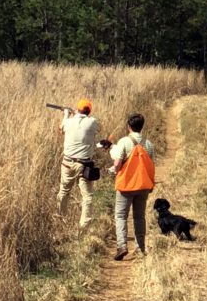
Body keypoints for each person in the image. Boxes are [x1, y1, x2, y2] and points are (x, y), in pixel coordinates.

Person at [109, 113, 155, 260]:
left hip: (126, 185)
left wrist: (115, 171)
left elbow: (117, 163)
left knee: (121, 215)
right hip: (143, 185)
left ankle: (122, 246)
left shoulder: (124, 141)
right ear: (142, 127)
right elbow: (152, 166)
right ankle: (140, 248)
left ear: (128, 126)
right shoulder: (148, 144)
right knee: (139, 217)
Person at [57, 98, 100, 230]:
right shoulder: (92, 122)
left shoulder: (68, 122)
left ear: (77, 109)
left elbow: (61, 130)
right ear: (89, 111)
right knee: (87, 197)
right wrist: (77, 114)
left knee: (64, 192)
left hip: (67, 163)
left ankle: (61, 223)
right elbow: (96, 129)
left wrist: (66, 114)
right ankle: (83, 228)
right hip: (84, 165)